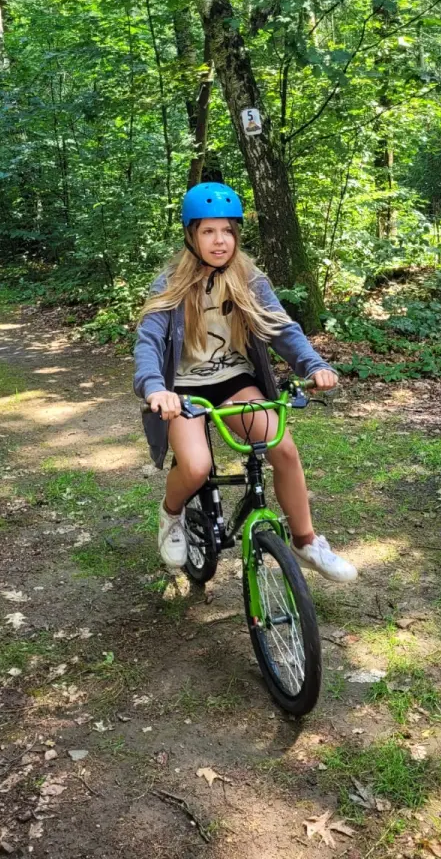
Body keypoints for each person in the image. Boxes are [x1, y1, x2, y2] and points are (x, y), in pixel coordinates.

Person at [134, 182, 358, 584]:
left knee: (282, 448)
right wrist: (155, 388)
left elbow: (281, 328)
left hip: (233, 380)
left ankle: (306, 541)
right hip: (181, 389)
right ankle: (171, 514)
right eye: (208, 231)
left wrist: (312, 365)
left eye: (228, 231)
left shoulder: (248, 278)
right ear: (191, 235)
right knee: (197, 466)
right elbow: (149, 342)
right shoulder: (170, 282)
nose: (220, 241)